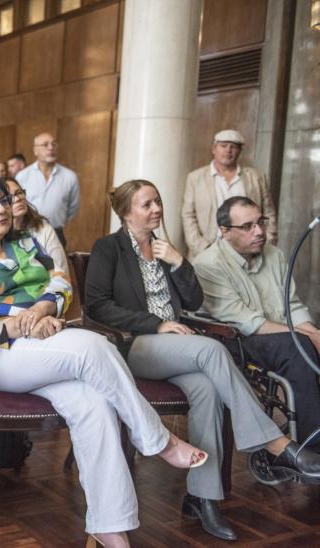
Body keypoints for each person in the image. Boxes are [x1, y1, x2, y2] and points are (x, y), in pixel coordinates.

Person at [0, 173, 208, 548]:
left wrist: (46, 307)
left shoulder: (24, 242)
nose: (1, 209)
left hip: (41, 349)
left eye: (3, 201)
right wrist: (21, 324)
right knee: (94, 347)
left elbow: (61, 284)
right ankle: (156, 439)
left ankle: (110, 527)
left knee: (94, 405)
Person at [85, 180, 320, 541]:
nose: (156, 209)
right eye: (147, 204)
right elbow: (98, 306)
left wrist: (179, 262)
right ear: (126, 212)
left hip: (174, 347)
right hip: (135, 346)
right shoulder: (108, 248)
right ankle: (275, 444)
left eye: (158, 202)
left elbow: (193, 303)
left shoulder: (165, 250)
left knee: (208, 390)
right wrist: (157, 323)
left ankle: (202, 498)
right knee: (212, 349)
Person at [194, 196, 320, 445]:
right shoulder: (207, 265)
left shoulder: (274, 255)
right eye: (248, 226)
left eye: (260, 222)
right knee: (299, 347)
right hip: (239, 340)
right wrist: (307, 337)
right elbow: (249, 323)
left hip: (282, 336)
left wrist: (315, 333)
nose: (259, 231)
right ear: (225, 232)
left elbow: (292, 305)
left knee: (309, 341)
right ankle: (313, 447)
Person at [182, 129, 277, 258]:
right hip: (208, 250)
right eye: (223, 146)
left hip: (248, 253)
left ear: (240, 151)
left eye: (234, 147)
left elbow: (269, 213)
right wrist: (203, 249)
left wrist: (267, 244)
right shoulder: (195, 178)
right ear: (214, 148)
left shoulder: (256, 177)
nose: (228, 150)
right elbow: (188, 216)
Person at [15, 132, 79, 247]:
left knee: (59, 265)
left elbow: (72, 209)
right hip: (28, 233)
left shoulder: (70, 176)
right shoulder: (22, 176)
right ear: (35, 150)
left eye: (54, 144)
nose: (51, 148)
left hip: (57, 232)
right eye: (45, 144)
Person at [6, 177, 68, 274]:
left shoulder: (43, 227)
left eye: (19, 193)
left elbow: (62, 272)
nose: (17, 199)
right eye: (9, 197)